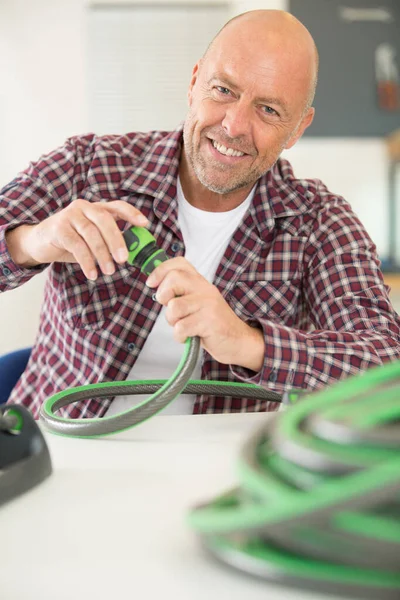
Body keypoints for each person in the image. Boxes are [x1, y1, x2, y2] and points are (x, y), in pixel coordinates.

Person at [1, 10, 400, 420]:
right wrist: (32, 242)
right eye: (224, 89)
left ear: (298, 128)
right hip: (56, 451)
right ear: (194, 83)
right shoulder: (88, 166)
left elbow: (387, 365)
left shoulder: (319, 221)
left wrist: (247, 343)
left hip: (220, 471)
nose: (234, 125)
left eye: (268, 110)